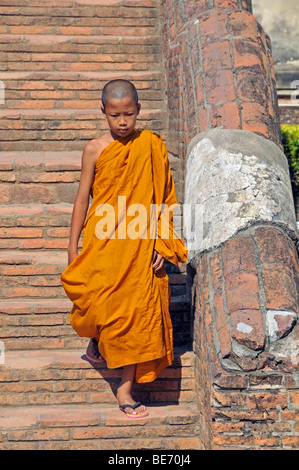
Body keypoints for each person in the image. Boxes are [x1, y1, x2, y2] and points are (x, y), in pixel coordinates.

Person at [60, 79, 187, 418]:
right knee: (100, 305)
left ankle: (125, 389)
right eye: (115, 115)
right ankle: (98, 342)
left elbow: (163, 197)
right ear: (103, 112)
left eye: (129, 114)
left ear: (139, 110)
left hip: (142, 243)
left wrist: (164, 242)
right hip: (104, 241)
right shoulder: (95, 149)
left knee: (135, 314)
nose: (122, 122)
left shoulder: (151, 146)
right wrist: (72, 247)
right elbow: (81, 198)